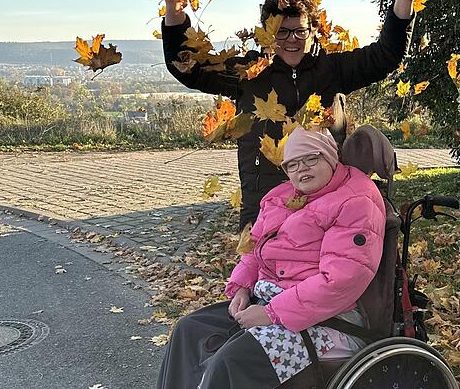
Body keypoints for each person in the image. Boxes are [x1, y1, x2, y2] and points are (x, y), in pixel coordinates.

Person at [155, 0, 433, 231]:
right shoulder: (248, 73)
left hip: (327, 206)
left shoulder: (333, 69)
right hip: (264, 208)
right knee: (263, 275)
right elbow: (188, 68)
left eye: (300, 30)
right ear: (266, 33)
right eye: (281, 31)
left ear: (313, 31)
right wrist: (175, 9)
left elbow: (385, 55)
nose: (291, 40)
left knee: (327, 274)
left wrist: (404, 1)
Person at [156, 126, 388, 389]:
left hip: (330, 322)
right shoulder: (281, 197)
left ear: (330, 157)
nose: (301, 169)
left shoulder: (356, 201)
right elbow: (254, 249)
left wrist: (271, 313)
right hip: (269, 300)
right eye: (292, 165)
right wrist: (241, 288)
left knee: (232, 361)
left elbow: (341, 281)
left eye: (311, 158)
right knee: (189, 330)